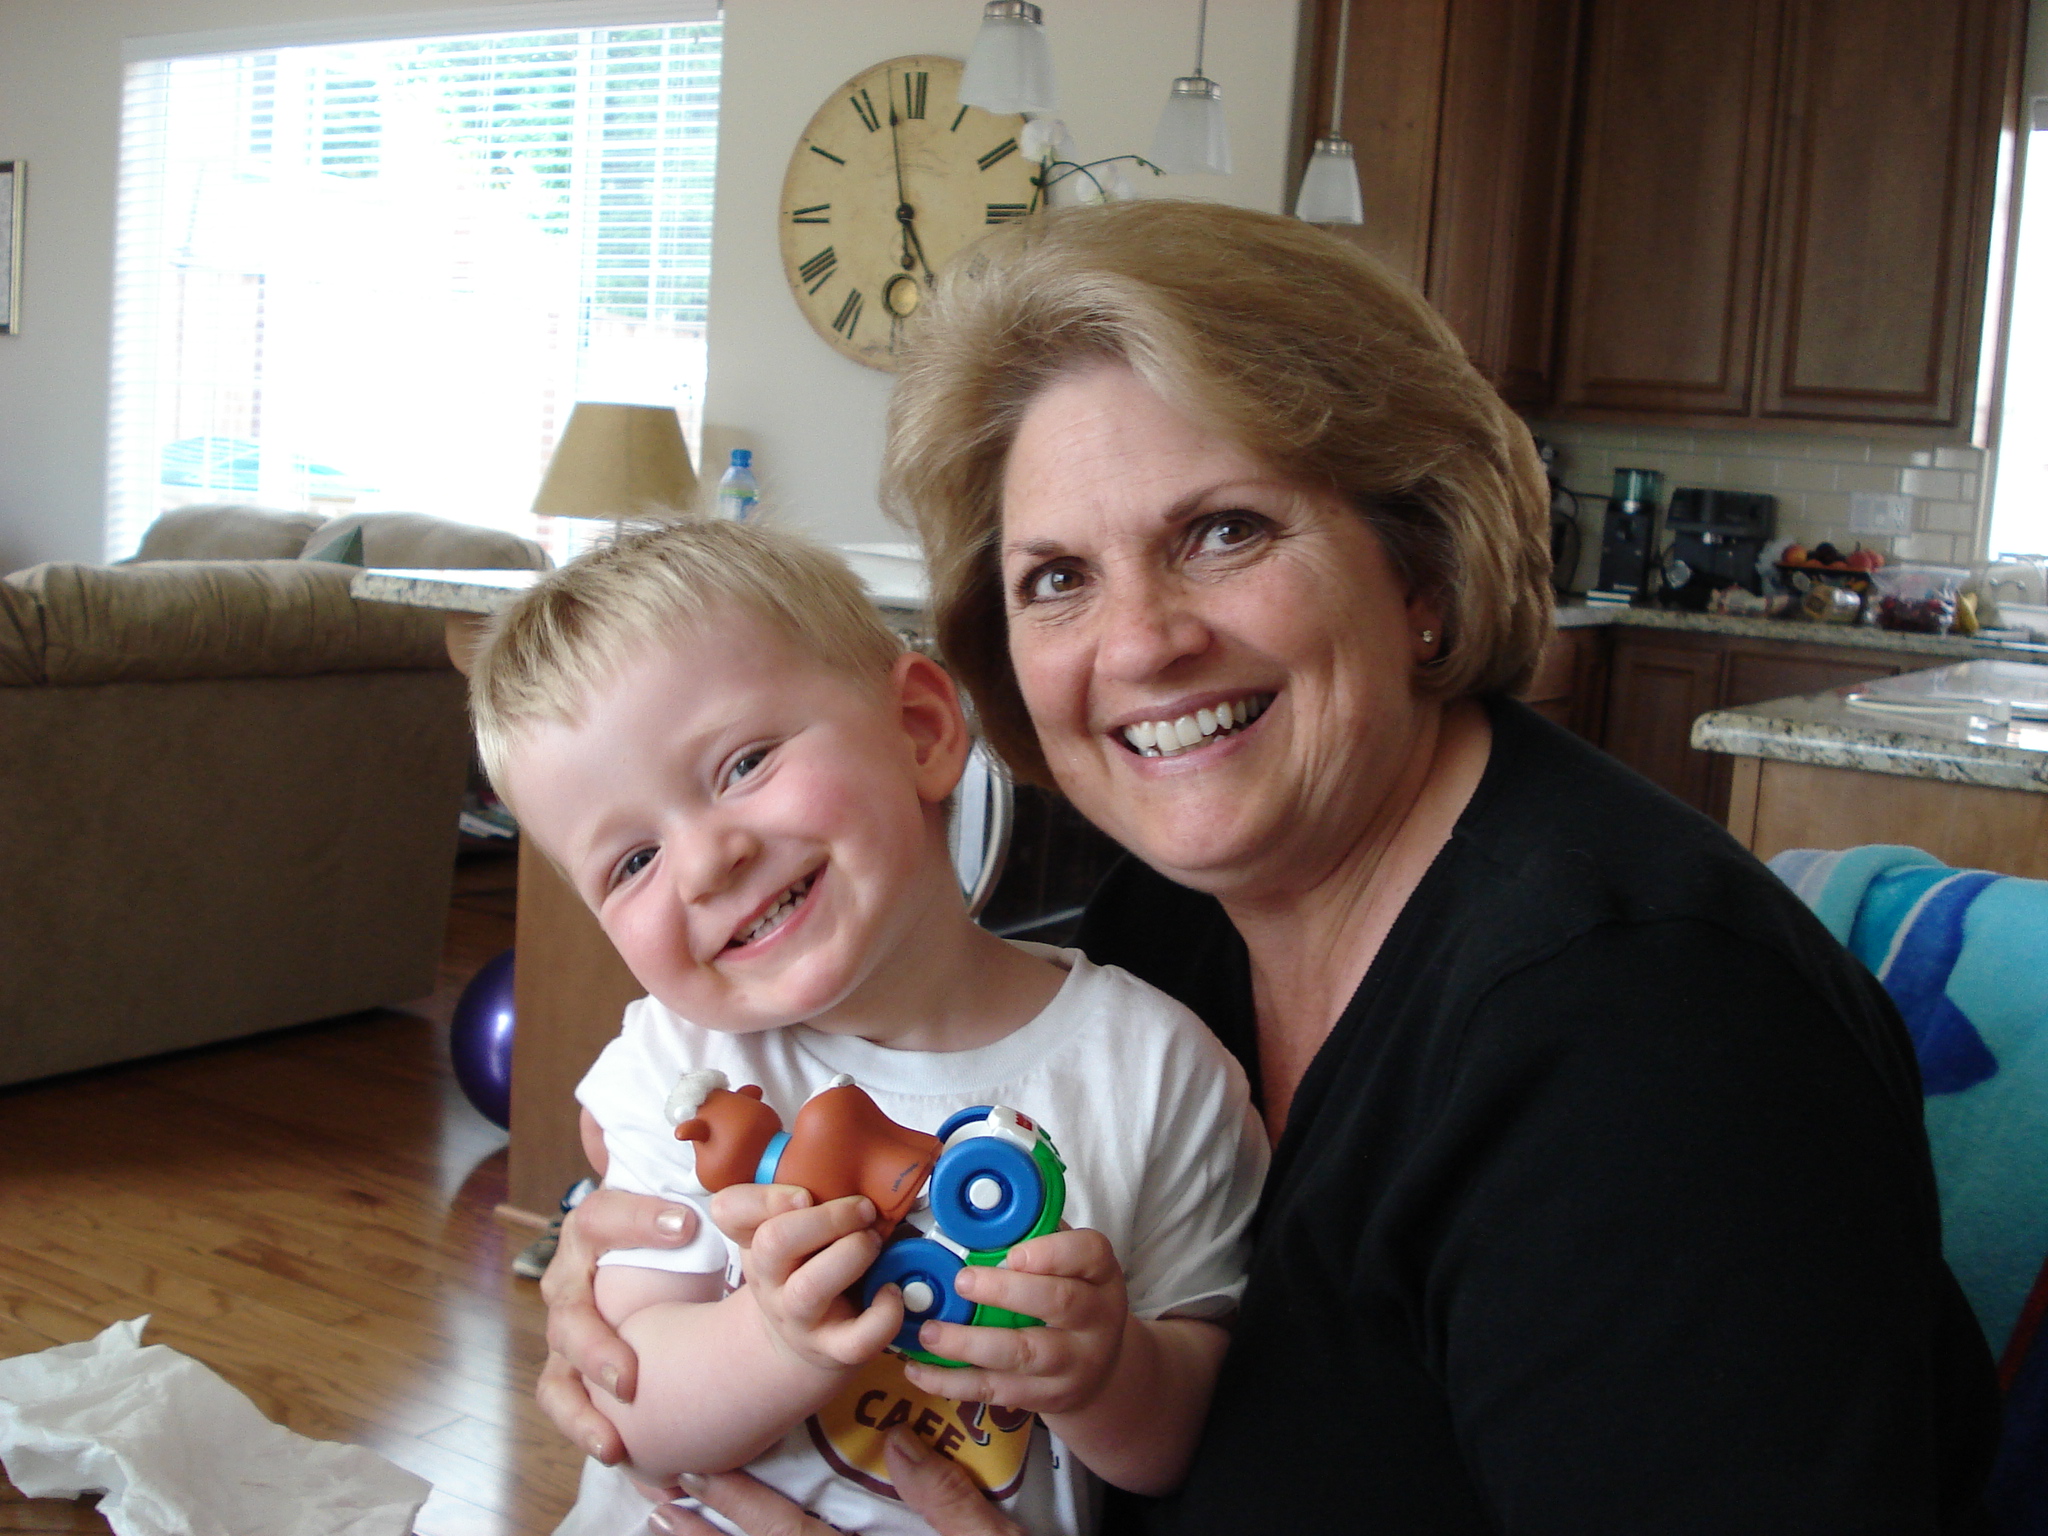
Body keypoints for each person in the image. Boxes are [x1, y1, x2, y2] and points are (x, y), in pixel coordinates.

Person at [535, 201, 2002, 1535]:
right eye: (1058, 578)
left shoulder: (1653, 1044)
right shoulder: (1174, 919)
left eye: (1223, 531)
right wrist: (628, 1299)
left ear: (1418, 566)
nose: (1139, 642)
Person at [470, 518, 1266, 1536]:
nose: (706, 863)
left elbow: (1188, 1446)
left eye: (742, 764)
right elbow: (624, 1407)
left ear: (921, 731)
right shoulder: (679, 1070)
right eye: (631, 862)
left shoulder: (1155, 1071)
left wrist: (1110, 1373)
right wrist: (774, 1339)